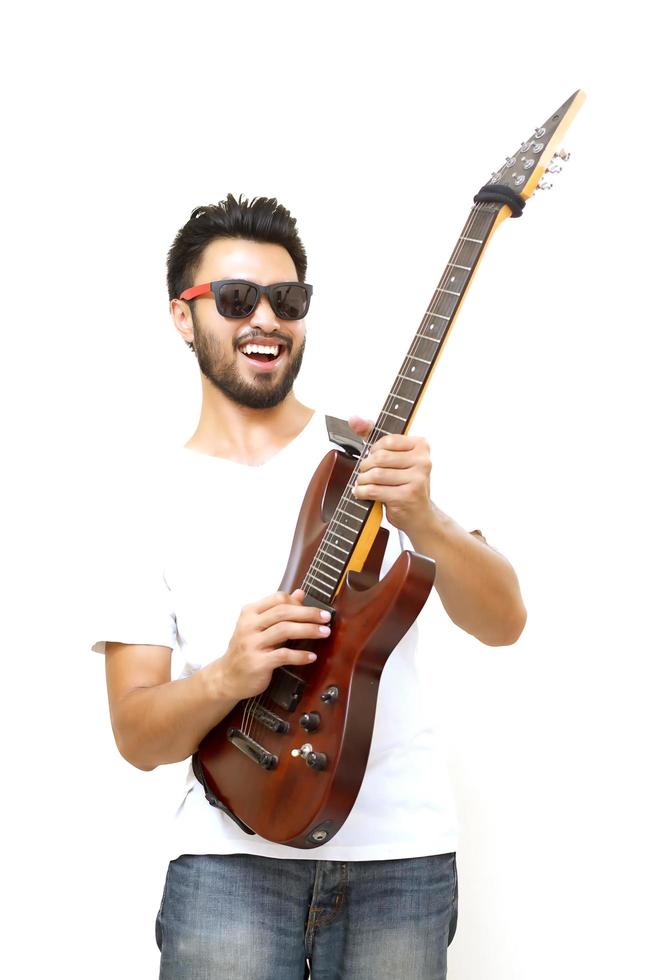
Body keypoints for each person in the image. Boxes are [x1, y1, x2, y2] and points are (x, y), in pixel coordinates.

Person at [91, 193, 527, 979]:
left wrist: (426, 521)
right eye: (235, 299)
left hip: (401, 859)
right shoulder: (145, 498)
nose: (266, 318)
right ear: (183, 317)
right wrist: (227, 675)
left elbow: (503, 621)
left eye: (287, 299)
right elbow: (137, 734)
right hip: (227, 864)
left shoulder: (370, 456)